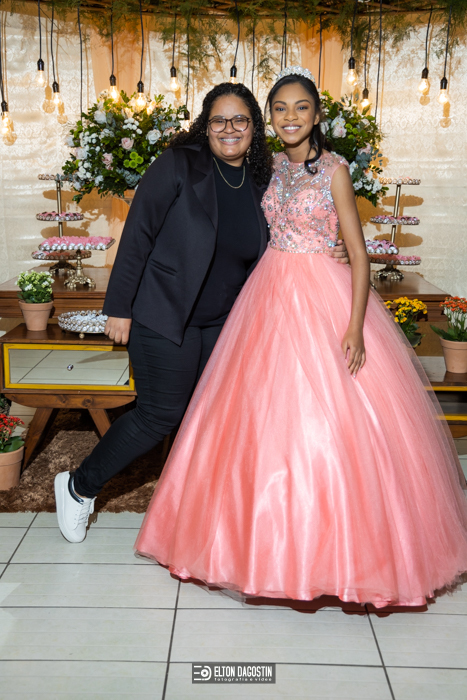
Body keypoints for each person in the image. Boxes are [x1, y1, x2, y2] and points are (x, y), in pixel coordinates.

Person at [135, 67, 467, 609]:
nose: (290, 117)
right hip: (266, 293)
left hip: (322, 296)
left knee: (335, 421)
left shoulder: (336, 170)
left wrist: (355, 326)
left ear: (316, 115)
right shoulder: (266, 168)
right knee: (257, 418)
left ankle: (347, 555)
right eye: (280, 108)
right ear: (269, 117)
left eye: (301, 107)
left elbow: (358, 253)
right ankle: (253, 545)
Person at [54, 81, 349, 543]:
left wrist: (337, 249)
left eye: (240, 119)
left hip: (227, 321)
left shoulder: (262, 178)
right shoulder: (178, 164)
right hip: (164, 314)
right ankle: (78, 486)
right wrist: (119, 308)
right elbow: (138, 234)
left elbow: (291, 231)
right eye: (219, 120)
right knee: (159, 415)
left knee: (211, 417)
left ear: (255, 126)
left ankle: (199, 513)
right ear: (204, 126)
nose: (230, 129)